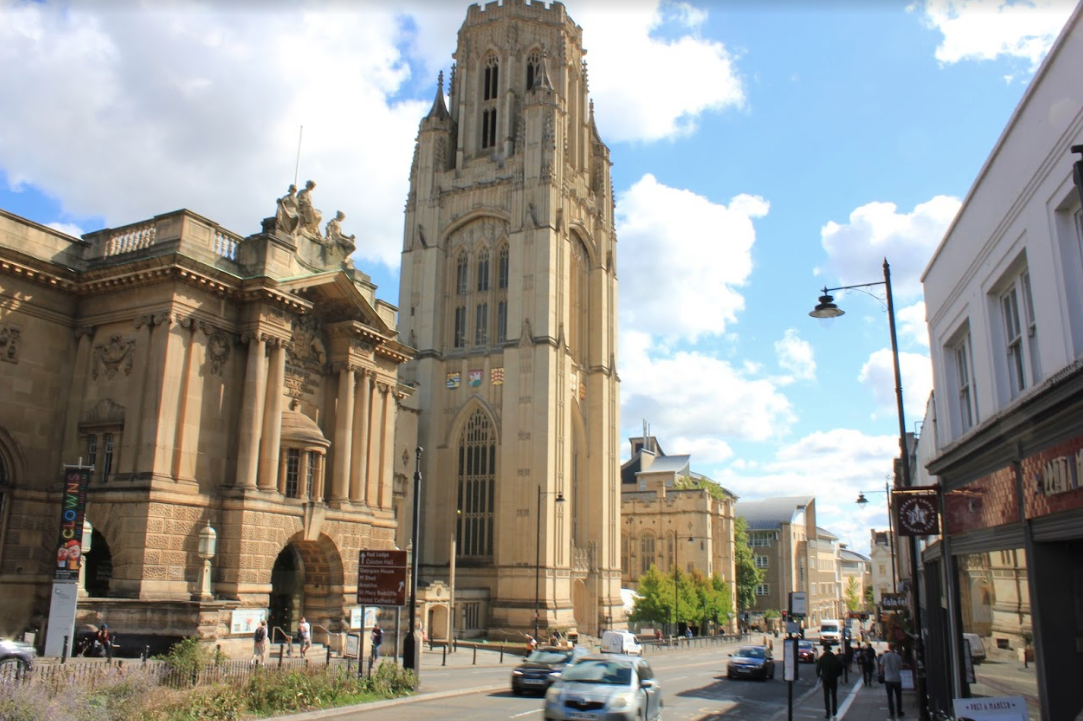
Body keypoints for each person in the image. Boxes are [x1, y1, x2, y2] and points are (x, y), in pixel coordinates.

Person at [816, 643, 843, 719]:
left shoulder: (822, 658)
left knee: (826, 696)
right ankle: (834, 710)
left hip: (825, 678)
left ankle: (828, 712)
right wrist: (837, 674)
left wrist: (819, 676)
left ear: (824, 649)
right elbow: (840, 667)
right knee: (834, 695)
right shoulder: (834, 658)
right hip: (833, 678)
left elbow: (818, 668)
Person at [880, 643, 904, 719]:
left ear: (889, 647)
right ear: (895, 648)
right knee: (898, 696)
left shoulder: (885, 656)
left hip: (888, 679)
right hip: (897, 679)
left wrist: (881, 674)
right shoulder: (898, 657)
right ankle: (899, 712)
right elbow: (900, 667)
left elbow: (882, 667)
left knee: (890, 697)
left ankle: (892, 713)